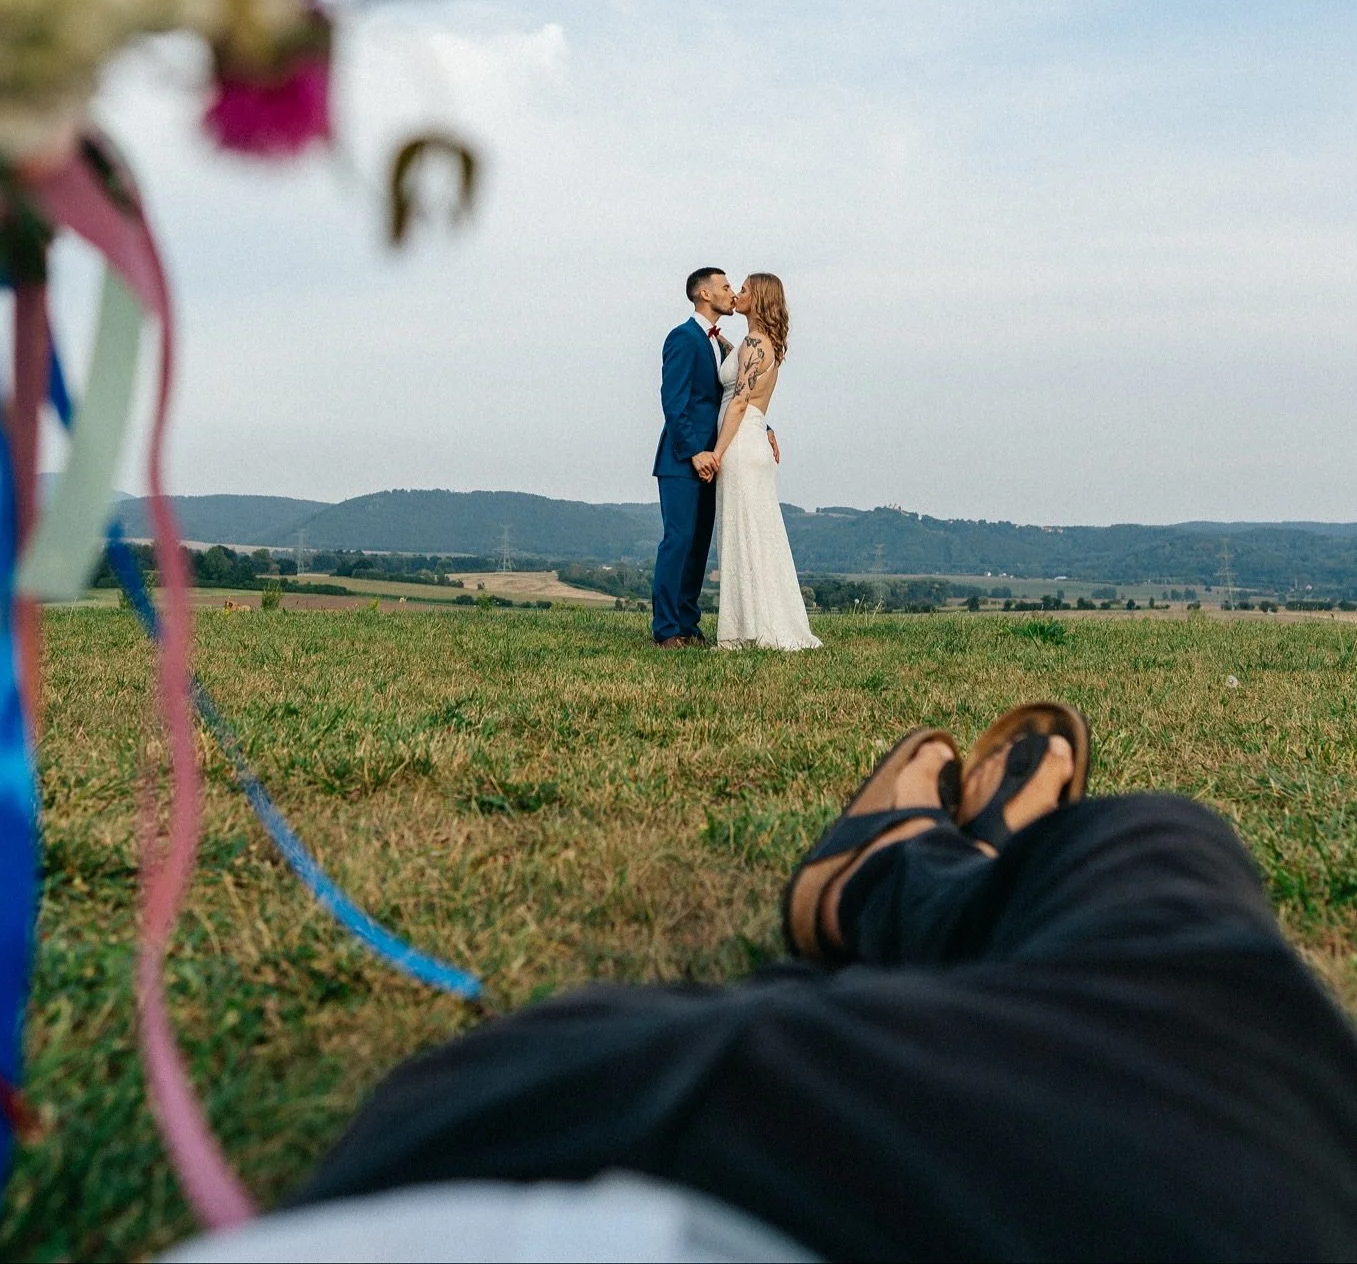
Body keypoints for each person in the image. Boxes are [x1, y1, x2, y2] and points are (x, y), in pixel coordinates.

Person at [179, 700, 1357, 1263]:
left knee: (1160, 879)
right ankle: (914, 875)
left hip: (563, 1152)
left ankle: (908, 875)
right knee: (1161, 853)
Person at [650, 268, 775, 650]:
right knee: (679, 540)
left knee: (700, 544)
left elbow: (739, 394)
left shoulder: (718, 343)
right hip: (682, 460)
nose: (731, 292)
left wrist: (764, 427)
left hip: (717, 459)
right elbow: (673, 403)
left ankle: (688, 624)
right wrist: (694, 452)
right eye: (724, 286)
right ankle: (667, 629)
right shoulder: (683, 337)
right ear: (704, 293)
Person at [712, 274, 820, 650]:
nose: (737, 295)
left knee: (743, 533)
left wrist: (717, 451)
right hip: (753, 437)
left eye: (743, 290)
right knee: (754, 532)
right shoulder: (760, 343)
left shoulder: (756, 343)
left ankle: (745, 630)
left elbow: (740, 399)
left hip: (740, 443)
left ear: (758, 299)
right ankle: (756, 623)